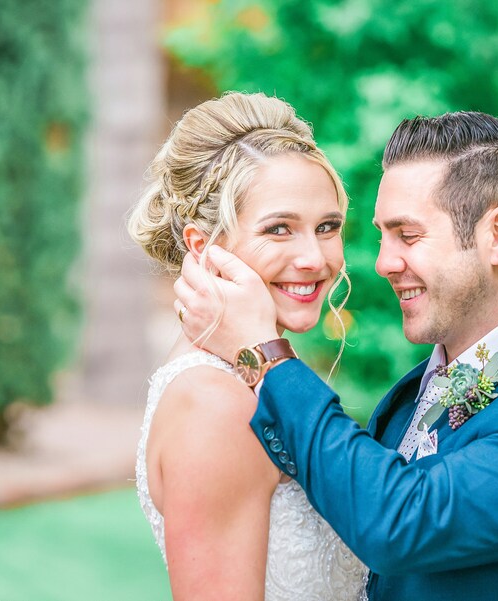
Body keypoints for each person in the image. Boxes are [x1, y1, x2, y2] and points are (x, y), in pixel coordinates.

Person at [174, 111, 498, 600]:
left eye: (407, 236)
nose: (384, 262)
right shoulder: (411, 394)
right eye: (382, 235)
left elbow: (399, 521)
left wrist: (266, 355)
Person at [127, 92, 367, 600]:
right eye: (279, 229)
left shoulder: (250, 370)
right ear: (202, 245)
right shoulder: (216, 405)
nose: (313, 257)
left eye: (327, 227)